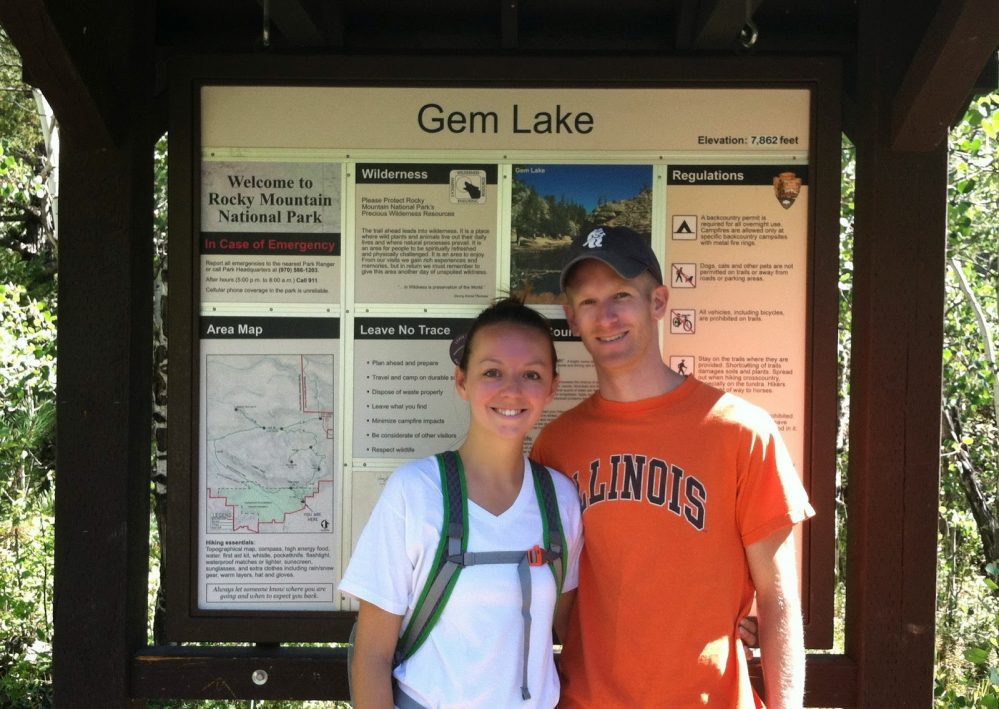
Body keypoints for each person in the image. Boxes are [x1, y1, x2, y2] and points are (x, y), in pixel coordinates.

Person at [531, 225, 815, 708]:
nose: (607, 316)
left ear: (658, 302)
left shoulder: (741, 431)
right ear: (570, 317)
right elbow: (555, 597)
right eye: (588, 302)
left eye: (622, 295)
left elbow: (778, 597)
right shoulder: (556, 446)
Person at [339, 297, 584, 709]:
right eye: (492, 372)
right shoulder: (415, 492)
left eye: (531, 374)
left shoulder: (560, 499)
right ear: (461, 381)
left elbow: (571, 628)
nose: (512, 390)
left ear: (552, 387)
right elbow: (372, 655)